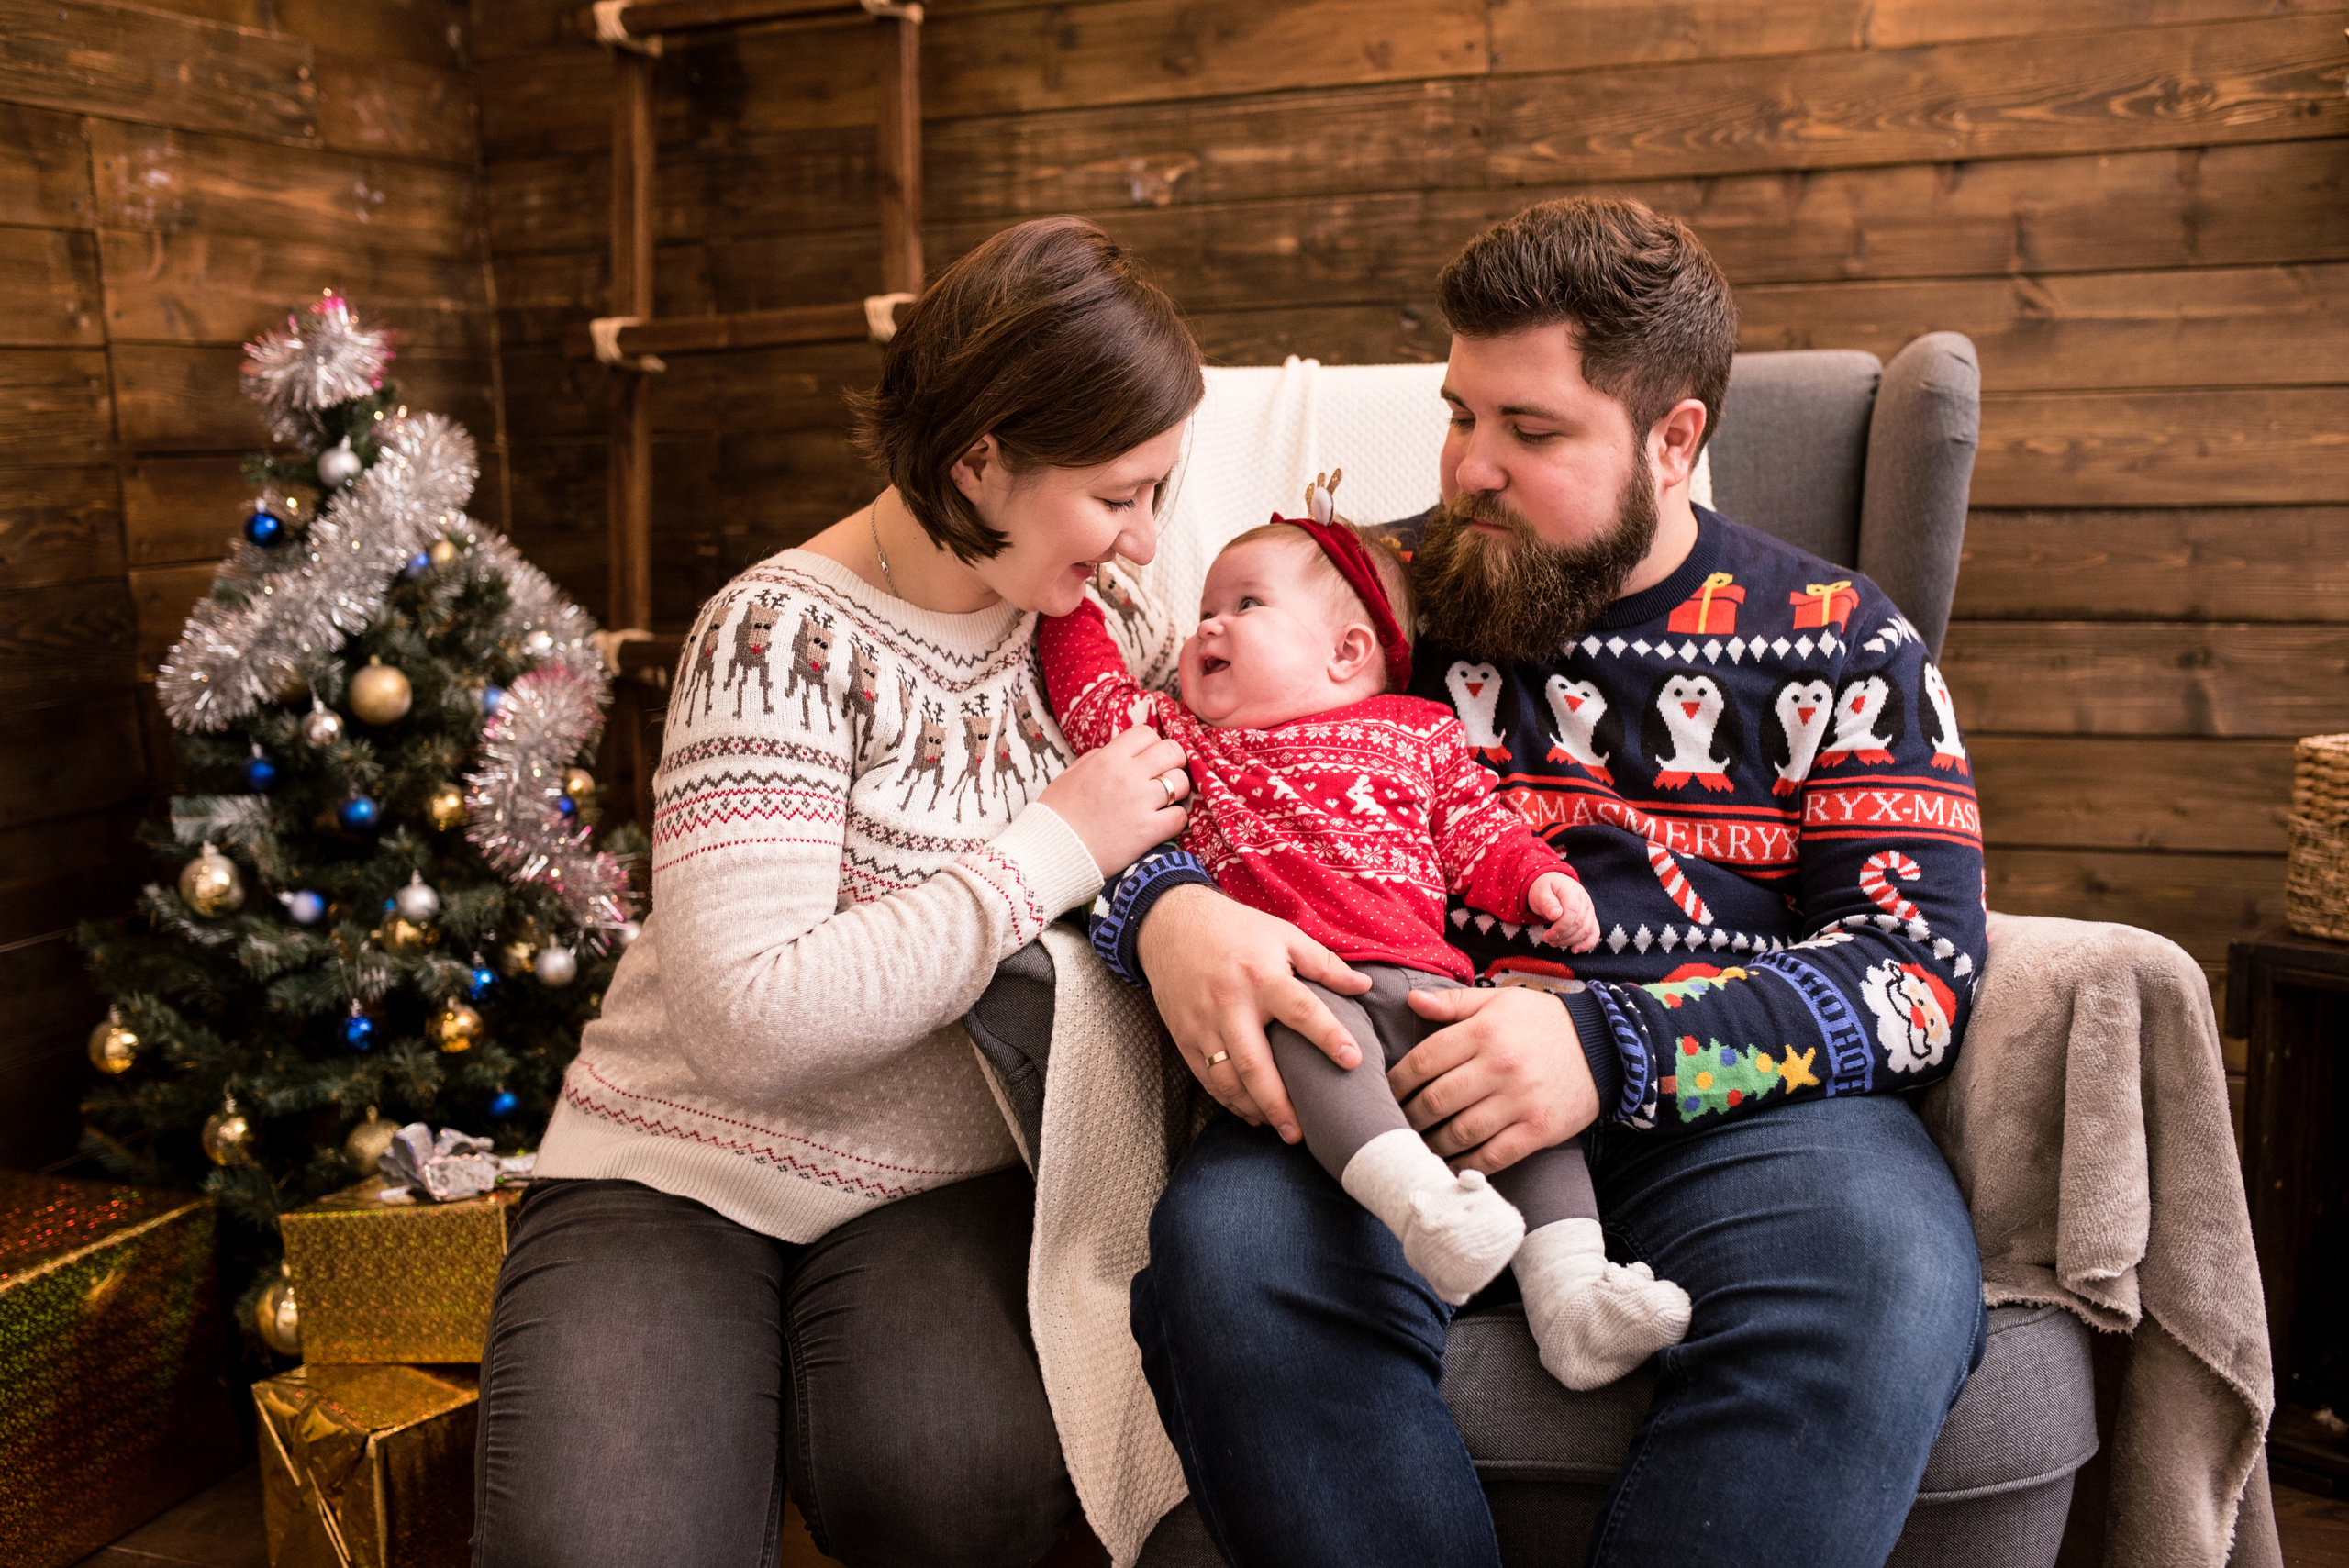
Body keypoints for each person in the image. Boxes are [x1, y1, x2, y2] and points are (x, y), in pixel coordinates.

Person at [1103, 197, 1989, 1566]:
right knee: (1231, 1263)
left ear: (1674, 438)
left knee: (1884, 1282)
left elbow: (1919, 971)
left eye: (1532, 431)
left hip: (1739, 1107)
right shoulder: (1364, 609)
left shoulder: (1837, 637)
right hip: (1394, 1074)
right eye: (1462, 415)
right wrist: (1166, 910)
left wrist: (1604, 1043)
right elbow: (1149, 766)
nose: (1467, 470)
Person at [471, 216, 1207, 1568]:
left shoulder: (1118, 630)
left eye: (1159, 490)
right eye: (1118, 495)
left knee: (965, 1490)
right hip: (679, 1161)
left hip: (945, 1177)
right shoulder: (776, 633)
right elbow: (748, 1020)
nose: (1149, 541)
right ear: (979, 457)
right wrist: (1050, 846)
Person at [1039, 487, 1696, 1390]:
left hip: (1433, 987)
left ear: (1349, 651)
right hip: (1299, 976)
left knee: (1524, 1102)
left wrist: (1537, 879)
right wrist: (1062, 596)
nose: (1205, 628)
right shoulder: (1186, 738)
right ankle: (1423, 1208)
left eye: (1244, 605)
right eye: (1201, 612)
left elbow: (1474, 825)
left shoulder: (1417, 732)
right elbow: (1092, 701)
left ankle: (1572, 1293)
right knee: (1309, 1040)